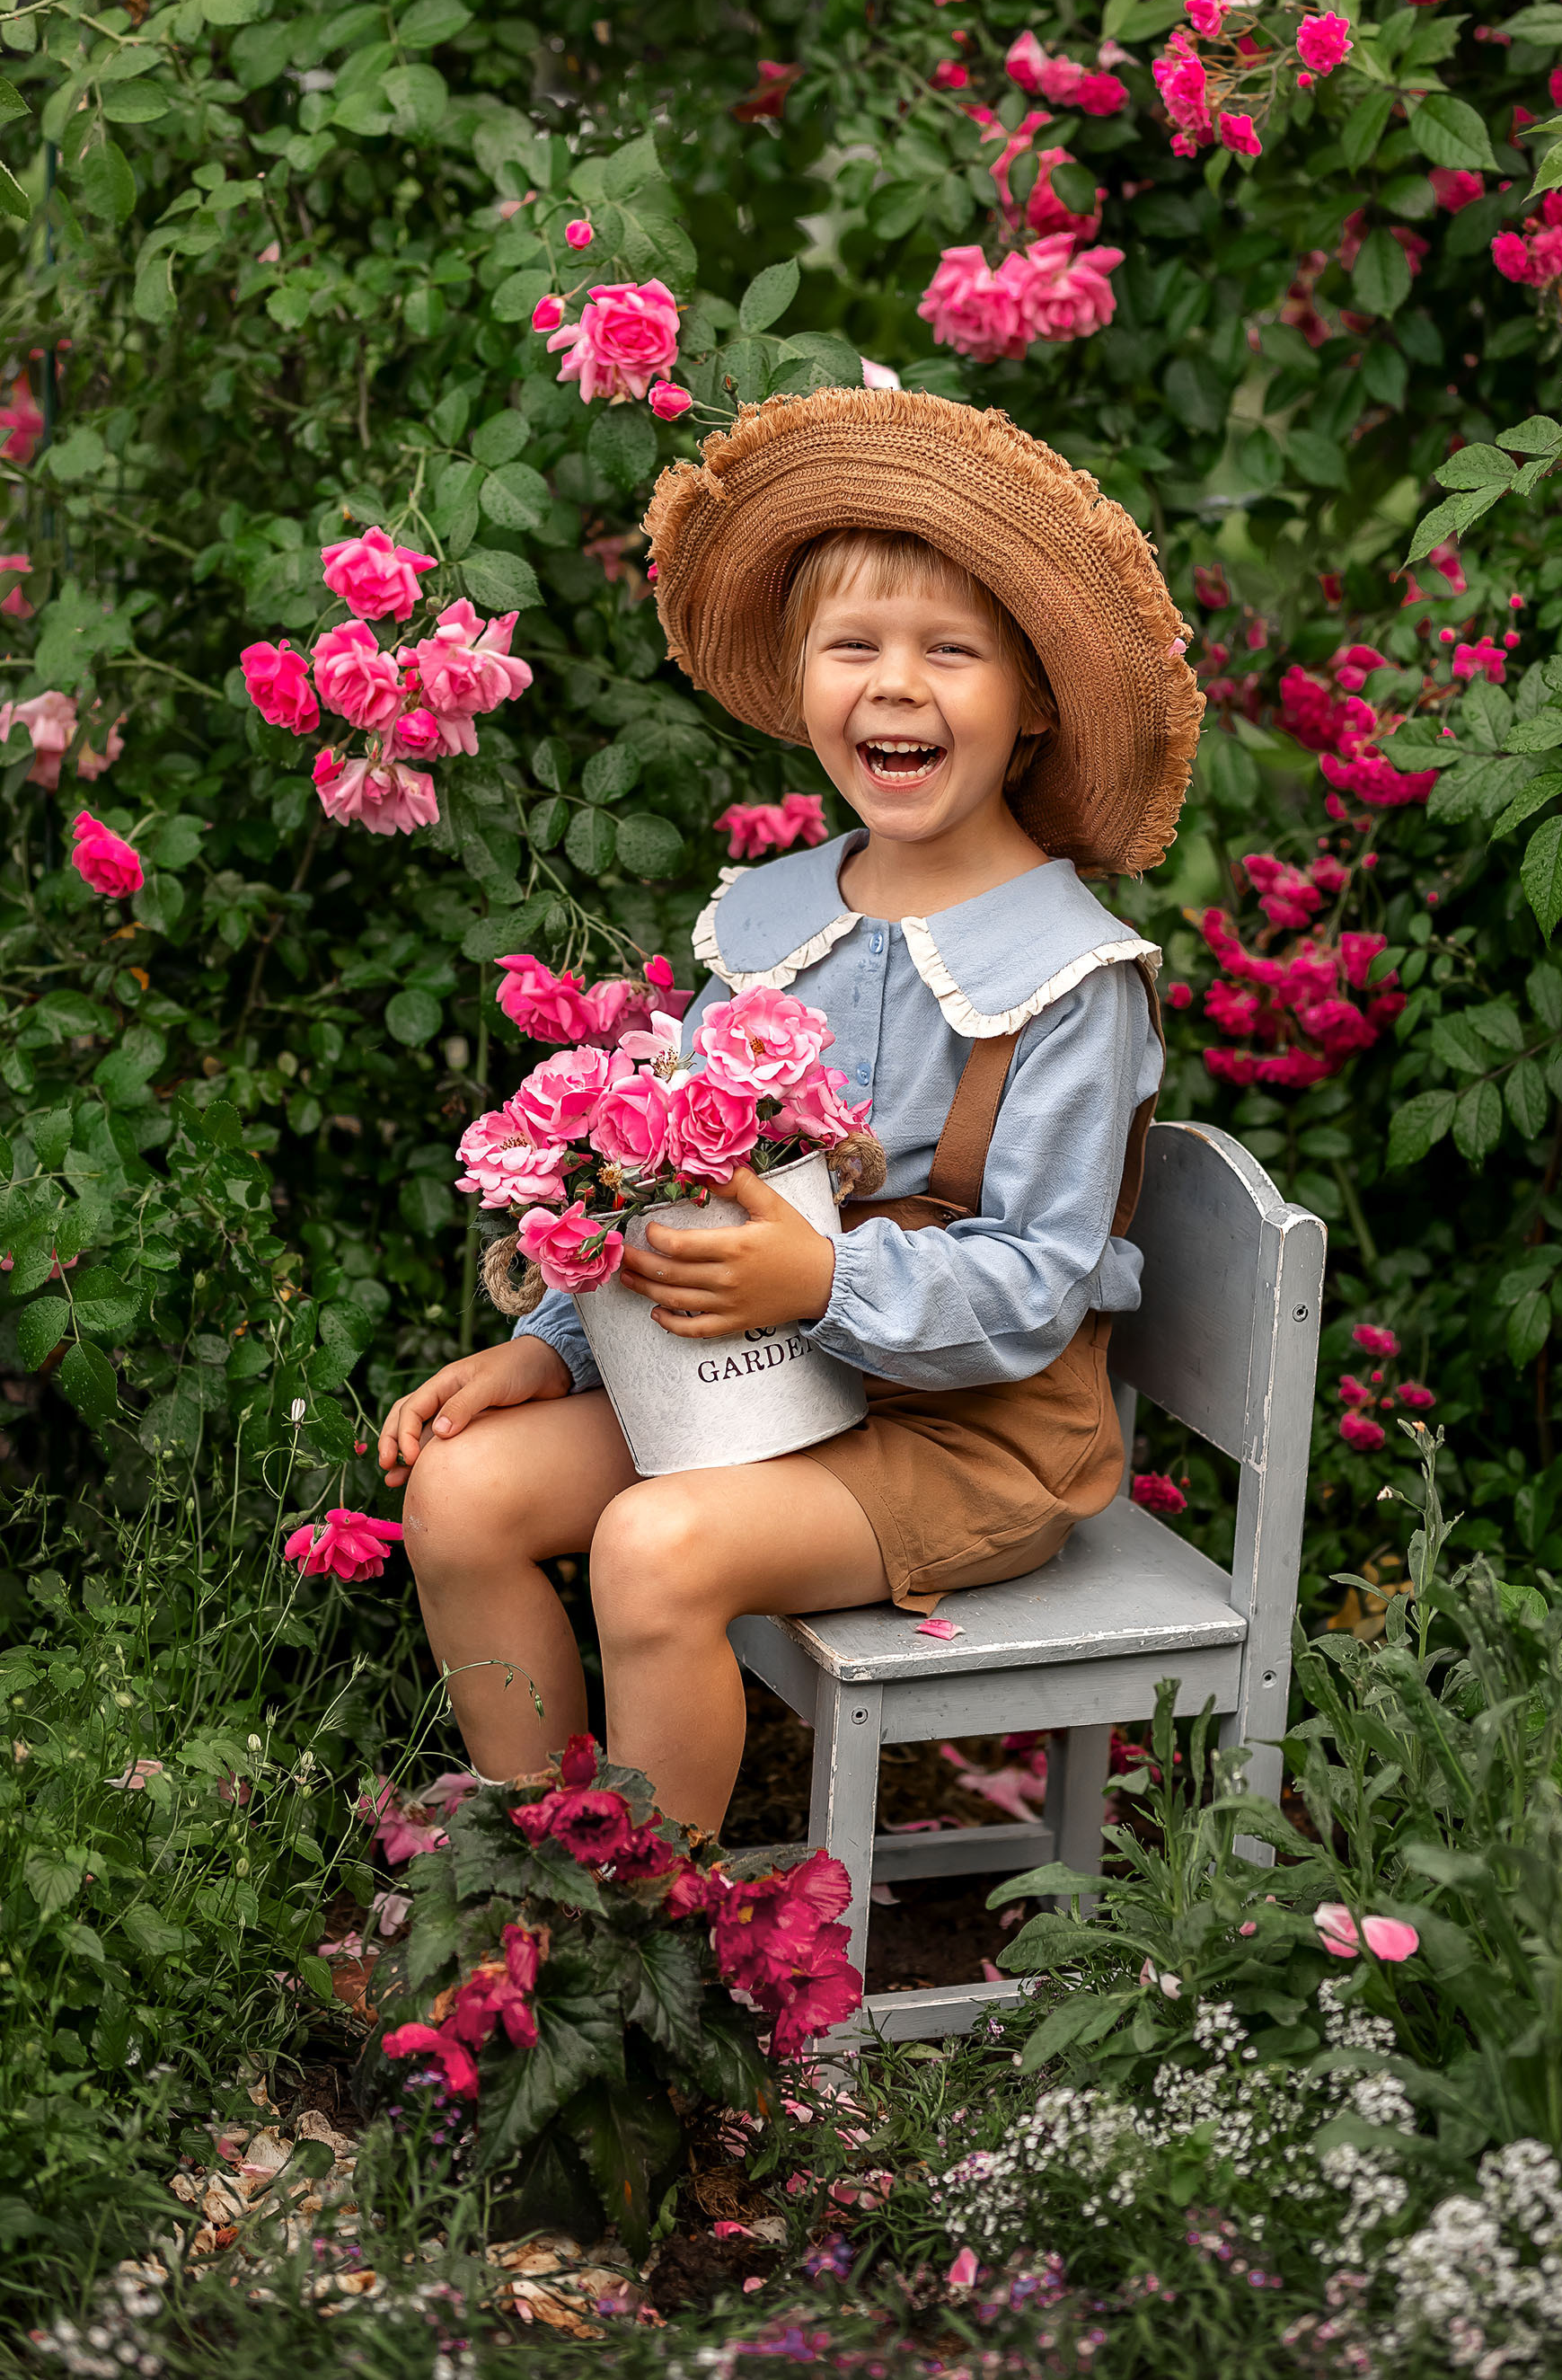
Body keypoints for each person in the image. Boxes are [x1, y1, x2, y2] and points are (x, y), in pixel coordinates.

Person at [378, 385, 1201, 1833]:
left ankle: (648, 1938)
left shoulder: (1072, 981)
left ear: (1033, 704)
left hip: (976, 1434)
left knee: (654, 1546)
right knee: (461, 1494)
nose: (897, 685)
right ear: (805, 680)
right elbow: (663, 1197)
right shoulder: (772, 923)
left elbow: (1037, 1282)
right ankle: (524, 1867)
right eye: (854, 647)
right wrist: (554, 1350)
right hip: (760, 1388)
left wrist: (823, 1274)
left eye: (952, 651)